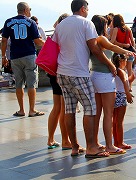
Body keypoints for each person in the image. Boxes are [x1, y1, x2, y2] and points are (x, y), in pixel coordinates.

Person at [52, 0, 115, 157]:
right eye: (87, 8)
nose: (88, 11)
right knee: (90, 108)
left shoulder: (61, 25)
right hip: (78, 72)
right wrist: (110, 64)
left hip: (62, 72)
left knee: (69, 109)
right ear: (82, 9)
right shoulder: (87, 23)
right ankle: (91, 147)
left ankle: (74, 146)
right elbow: (95, 48)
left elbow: (55, 46)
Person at [90, 15, 134, 155]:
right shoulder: (100, 38)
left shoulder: (90, 40)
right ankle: (110, 145)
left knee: (97, 114)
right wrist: (126, 51)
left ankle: (96, 142)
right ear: (102, 26)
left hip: (94, 75)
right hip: (104, 77)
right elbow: (112, 46)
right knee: (108, 114)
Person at [1, 2, 45, 117]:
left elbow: (4, 40)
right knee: (31, 84)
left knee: (19, 84)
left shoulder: (8, 22)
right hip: (29, 55)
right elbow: (37, 41)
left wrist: (3, 56)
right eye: (29, 9)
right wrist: (49, 45)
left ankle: (21, 110)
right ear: (25, 10)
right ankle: (32, 110)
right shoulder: (31, 22)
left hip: (15, 57)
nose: (30, 11)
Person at [47, 14, 71, 150]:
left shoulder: (55, 34)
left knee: (57, 108)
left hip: (52, 73)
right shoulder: (64, 36)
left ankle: (50, 139)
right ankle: (65, 140)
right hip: (61, 73)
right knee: (64, 109)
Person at [112, 53, 134, 149]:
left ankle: (116, 141)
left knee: (114, 120)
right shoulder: (121, 71)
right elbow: (125, 82)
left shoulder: (113, 70)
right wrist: (128, 94)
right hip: (121, 95)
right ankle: (120, 142)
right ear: (122, 61)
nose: (126, 63)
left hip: (113, 95)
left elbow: (126, 81)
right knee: (119, 121)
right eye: (125, 61)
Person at [110, 14, 136, 90]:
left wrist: (122, 44)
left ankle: (121, 85)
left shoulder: (116, 29)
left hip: (120, 51)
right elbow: (132, 41)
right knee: (129, 69)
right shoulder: (128, 29)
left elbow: (113, 42)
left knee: (120, 69)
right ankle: (129, 86)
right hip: (130, 51)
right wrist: (132, 48)